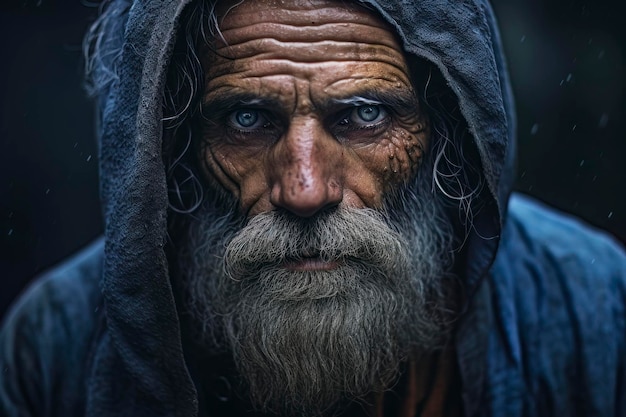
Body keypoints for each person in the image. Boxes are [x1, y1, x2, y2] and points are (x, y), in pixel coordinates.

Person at [1, 0, 625, 416]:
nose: (304, 190)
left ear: (447, 139)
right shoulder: (56, 345)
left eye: (364, 115)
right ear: (176, 149)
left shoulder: (592, 308)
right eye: (247, 120)